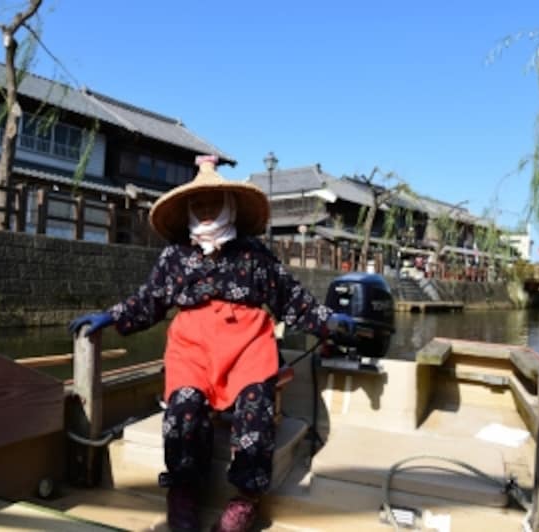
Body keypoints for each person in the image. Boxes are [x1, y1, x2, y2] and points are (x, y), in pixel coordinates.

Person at [69, 155, 354, 532]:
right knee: (184, 405)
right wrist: (112, 315)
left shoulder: (255, 254)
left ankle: (244, 501)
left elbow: (290, 298)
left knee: (256, 403)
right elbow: (150, 300)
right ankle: (184, 494)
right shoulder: (175, 256)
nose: (205, 210)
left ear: (228, 207)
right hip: (193, 344)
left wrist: (327, 321)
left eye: (212, 203)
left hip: (248, 343)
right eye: (197, 204)